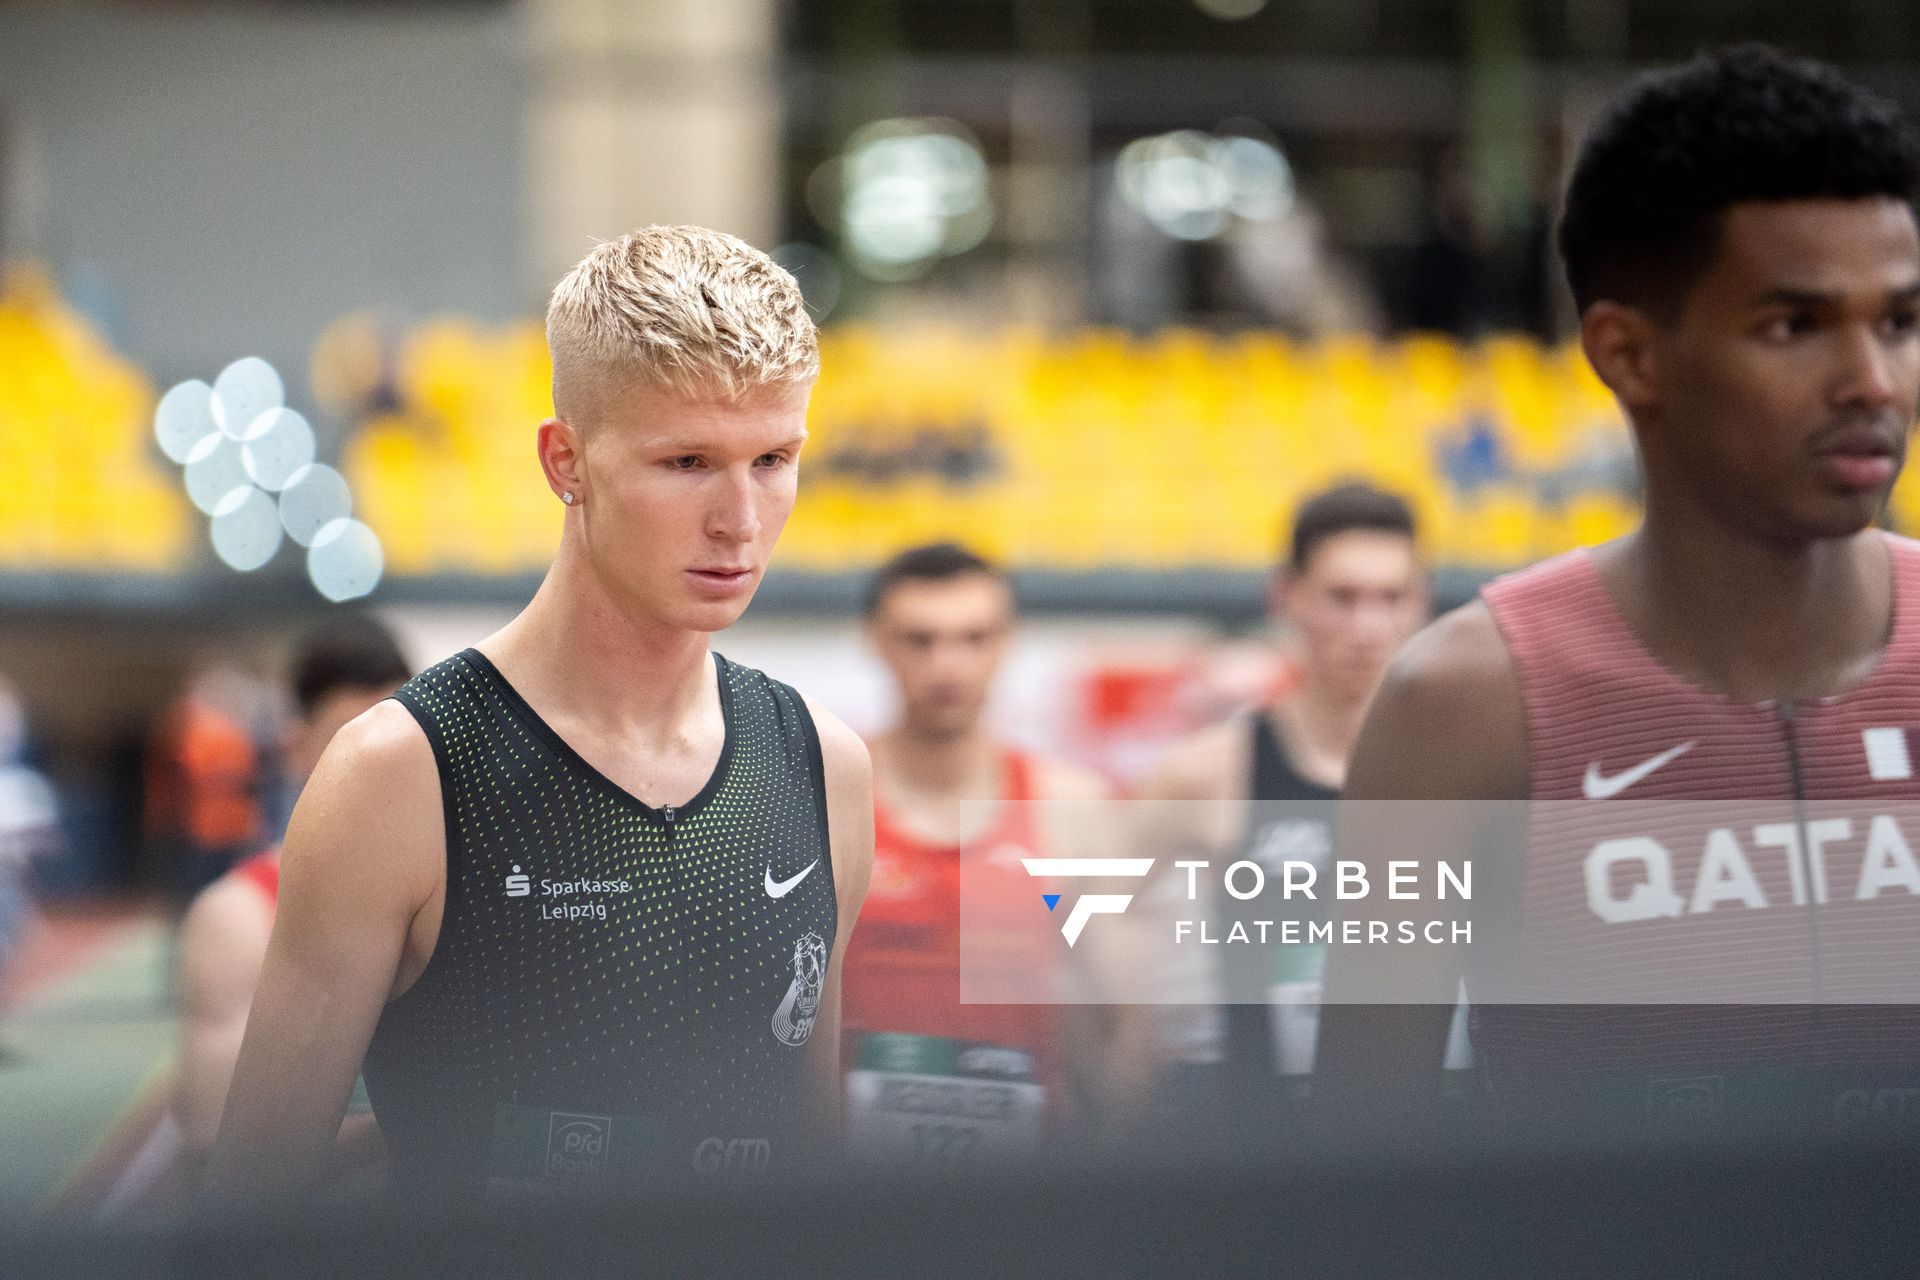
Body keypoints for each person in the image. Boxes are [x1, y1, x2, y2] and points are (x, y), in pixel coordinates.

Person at [1316, 45, 1920, 1138]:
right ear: (1629, 354)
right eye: (1795, 324)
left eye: (1899, 321)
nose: (1873, 380)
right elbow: (1360, 1150)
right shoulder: (1458, 707)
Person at [207, 226, 874, 1206]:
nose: (740, 518)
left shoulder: (821, 762)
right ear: (566, 459)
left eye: (774, 457)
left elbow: (815, 1169)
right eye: (687, 461)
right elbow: (248, 1207)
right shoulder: (401, 773)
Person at [1131, 483, 1438, 1123]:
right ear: (1288, 597)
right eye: (1343, 598)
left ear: (1422, 604)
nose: (1367, 627)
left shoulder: (1469, 770)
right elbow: (1086, 920)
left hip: (1425, 1153)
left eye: (1391, 598)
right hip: (1263, 1159)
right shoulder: (1207, 774)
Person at [840, 543, 1128, 1163]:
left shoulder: (1069, 808)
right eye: (920, 640)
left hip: (1024, 1194)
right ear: (876, 641)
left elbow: (1115, 1014)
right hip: (849, 1189)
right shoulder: (823, 799)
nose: (948, 665)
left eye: (975, 638)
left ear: (1008, 641)